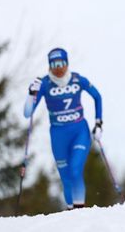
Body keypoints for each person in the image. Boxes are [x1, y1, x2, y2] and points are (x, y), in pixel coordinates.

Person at [23, 48, 103, 209]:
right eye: (54, 65)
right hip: (58, 134)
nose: (58, 68)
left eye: (61, 63)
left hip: (79, 131)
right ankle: (70, 212)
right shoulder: (44, 84)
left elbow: (97, 96)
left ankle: (80, 211)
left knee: (75, 170)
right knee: (66, 178)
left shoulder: (77, 80)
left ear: (67, 63)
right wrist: (31, 93)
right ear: (49, 66)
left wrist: (98, 122)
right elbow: (27, 113)